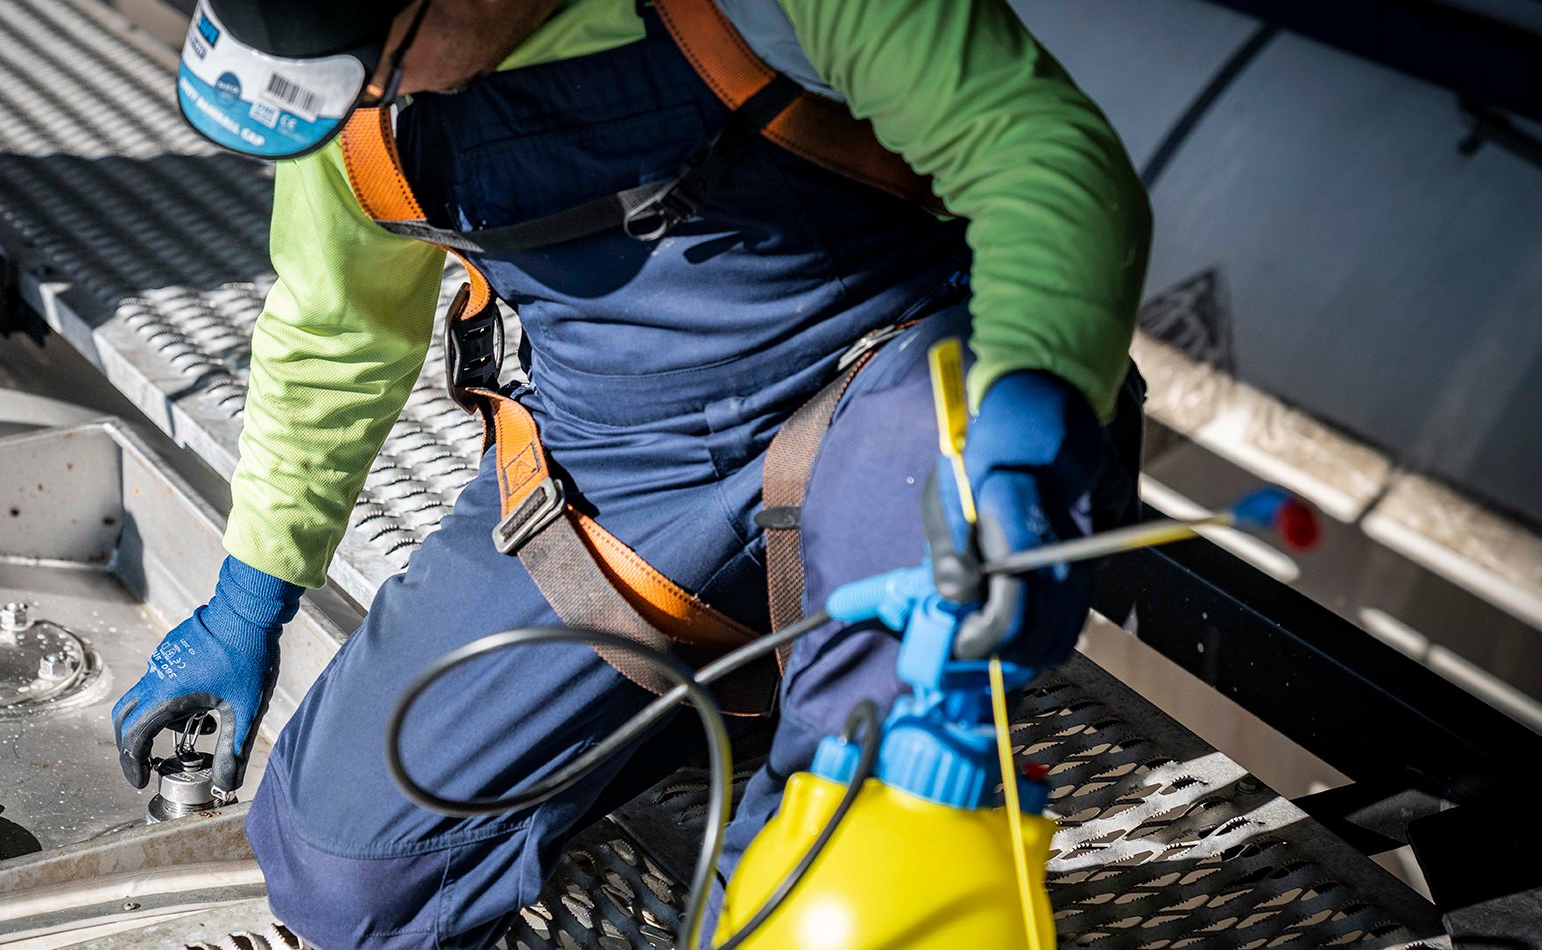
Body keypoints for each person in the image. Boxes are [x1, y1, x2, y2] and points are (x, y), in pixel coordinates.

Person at [114, 0, 1150, 945]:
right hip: (622, 471)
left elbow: (1046, 158)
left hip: (903, 413)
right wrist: (248, 599)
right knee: (352, 874)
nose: (385, 99)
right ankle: (726, 714)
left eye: (383, 63)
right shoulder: (355, 77)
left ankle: (851, 778)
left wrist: (1026, 419)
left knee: (850, 877)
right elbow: (332, 333)